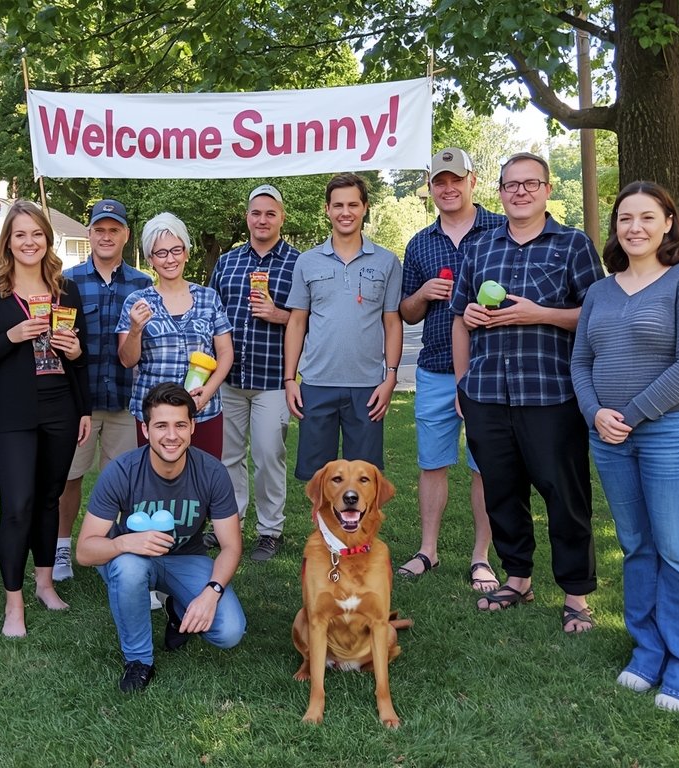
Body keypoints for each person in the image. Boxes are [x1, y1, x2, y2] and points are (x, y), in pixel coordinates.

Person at [572, 182, 679, 710]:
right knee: (636, 546)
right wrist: (595, 413)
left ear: (667, 223)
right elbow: (581, 362)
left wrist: (630, 416)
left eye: (645, 217)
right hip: (610, 437)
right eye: (623, 218)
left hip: (671, 433)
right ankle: (649, 650)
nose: (633, 227)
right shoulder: (600, 290)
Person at [450, 152, 604, 632]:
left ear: (547, 189)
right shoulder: (479, 247)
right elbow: (460, 316)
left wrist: (541, 314)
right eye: (511, 184)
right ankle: (517, 577)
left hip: (551, 393)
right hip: (488, 391)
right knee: (502, 492)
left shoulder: (573, 245)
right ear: (498, 191)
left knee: (564, 493)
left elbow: (597, 314)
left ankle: (576, 594)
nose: (520, 192)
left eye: (530, 184)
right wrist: (462, 381)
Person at [0, 200, 92, 637]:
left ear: (47, 239)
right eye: (20, 234)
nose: (29, 242)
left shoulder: (66, 291)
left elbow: (82, 357)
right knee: (17, 505)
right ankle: (13, 605)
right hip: (10, 411)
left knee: (49, 499)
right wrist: (12, 336)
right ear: (8, 241)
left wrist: (84, 405)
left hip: (61, 406)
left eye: (36, 234)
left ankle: (44, 584)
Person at [75, 383, 246, 693]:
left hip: (186, 558)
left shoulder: (212, 472)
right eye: (161, 425)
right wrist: (124, 543)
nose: (171, 435)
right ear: (145, 428)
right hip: (133, 558)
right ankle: (139, 661)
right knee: (129, 569)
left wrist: (212, 592)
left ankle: (179, 610)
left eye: (180, 424)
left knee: (229, 631)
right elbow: (85, 552)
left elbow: (232, 545)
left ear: (193, 426)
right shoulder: (122, 471)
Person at [396, 149, 502, 587]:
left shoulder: (501, 229)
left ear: (472, 180)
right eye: (439, 181)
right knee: (432, 462)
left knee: (486, 466)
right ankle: (428, 550)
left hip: (492, 368)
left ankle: (482, 556)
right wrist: (423, 293)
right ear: (431, 188)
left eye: (455, 179)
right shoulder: (420, 243)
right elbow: (406, 312)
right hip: (436, 365)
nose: (448, 188)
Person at [53, 199, 151, 582]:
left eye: (114, 230)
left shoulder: (143, 284)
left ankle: (114, 546)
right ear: (89, 233)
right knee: (69, 478)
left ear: (125, 235)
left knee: (121, 481)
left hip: (127, 400)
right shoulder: (67, 281)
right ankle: (62, 549)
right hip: (80, 401)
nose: (106, 236)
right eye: (99, 229)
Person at [283, 173, 403, 481]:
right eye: (338, 205)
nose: (345, 212)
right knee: (319, 480)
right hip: (317, 383)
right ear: (327, 209)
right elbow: (297, 322)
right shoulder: (307, 262)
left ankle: (361, 532)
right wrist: (290, 379)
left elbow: (392, 322)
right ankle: (322, 532)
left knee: (363, 480)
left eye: (353, 204)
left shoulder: (387, 261)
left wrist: (390, 378)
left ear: (365, 207)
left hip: (367, 387)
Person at [208, 184, 300, 561]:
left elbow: (309, 320)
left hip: (273, 378)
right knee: (227, 457)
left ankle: (269, 530)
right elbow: (212, 316)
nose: (262, 220)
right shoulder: (227, 262)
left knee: (268, 455)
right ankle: (230, 525)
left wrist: (279, 315)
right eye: (256, 213)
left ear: (281, 218)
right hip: (229, 378)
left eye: (270, 213)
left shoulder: (298, 263)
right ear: (247, 217)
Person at [117, 212, 233, 458]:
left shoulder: (208, 298)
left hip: (204, 412)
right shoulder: (137, 302)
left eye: (176, 250)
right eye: (161, 253)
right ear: (150, 258)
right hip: (155, 417)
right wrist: (136, 329)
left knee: (204, 484)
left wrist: (208, 391)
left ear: (187, 252)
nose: (170, 259)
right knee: (157, 486)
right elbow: (127, 360)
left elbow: (225, 352)